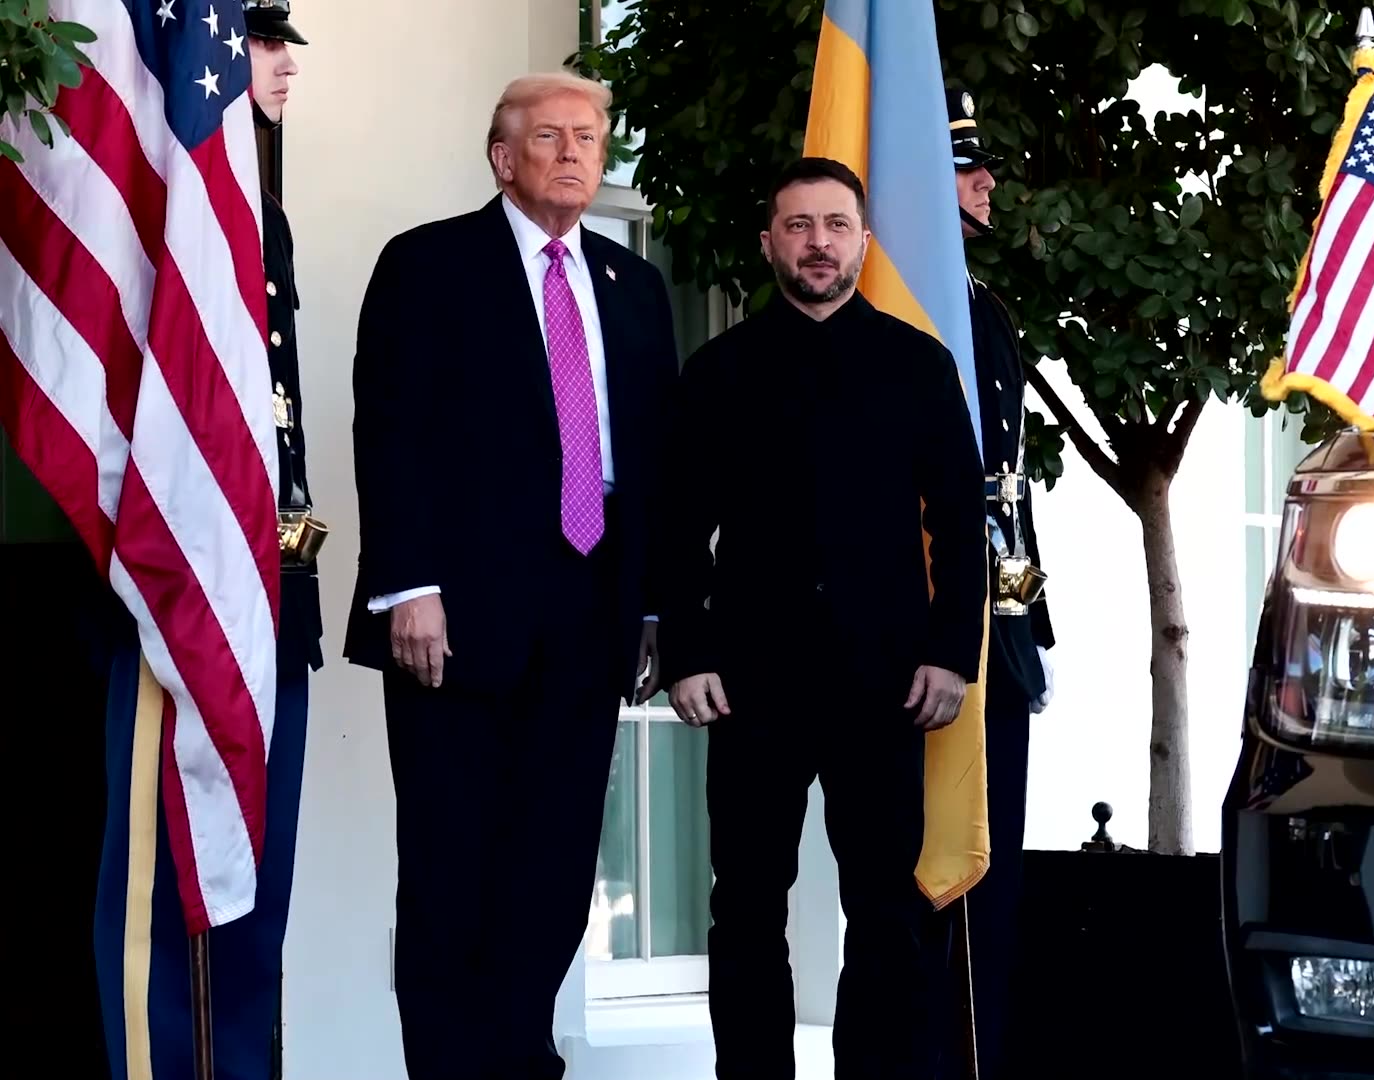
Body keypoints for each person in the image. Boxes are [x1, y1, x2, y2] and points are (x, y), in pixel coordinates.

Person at [342, 71, 680, 1080]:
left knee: (552, 869)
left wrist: (656, 605)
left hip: (590, 611)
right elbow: (391, 428)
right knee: (451, 873)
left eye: (590, 136)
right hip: (459, 615)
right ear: (503, 157)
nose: (576, 153)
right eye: (550, 137)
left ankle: (517, 1061)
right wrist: (409, 583)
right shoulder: (429, 264)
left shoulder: (635, 287)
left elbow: (654, 459)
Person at [660, 156, 987, 1080]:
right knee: (747, 905)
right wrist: (686, 651)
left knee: (885, 905)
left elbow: (963, 525)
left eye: (835, 226)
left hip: (887, 681)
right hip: (749, 682)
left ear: (863, 242)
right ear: (769, 242)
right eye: (798, 227)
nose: (817, 244)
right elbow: (677, 528)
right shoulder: (718, 372)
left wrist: (950, 654)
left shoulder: (918, 365)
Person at [91, 5, 321, 1079]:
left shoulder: (258, 217)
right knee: (160, 880)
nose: (274, 68)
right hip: (179, 581)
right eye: (260, 44)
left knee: (255, 886)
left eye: (277, 50)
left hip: (275, 584)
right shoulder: (165, 205)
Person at [928, 86, 1060, 1080]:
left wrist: (1026, 624)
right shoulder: (906, 312)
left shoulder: (987, 309)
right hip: (923, 632)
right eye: (966, 168)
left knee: (996, 882)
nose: (987, 183)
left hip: (995, 634)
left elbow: (1004, 491)